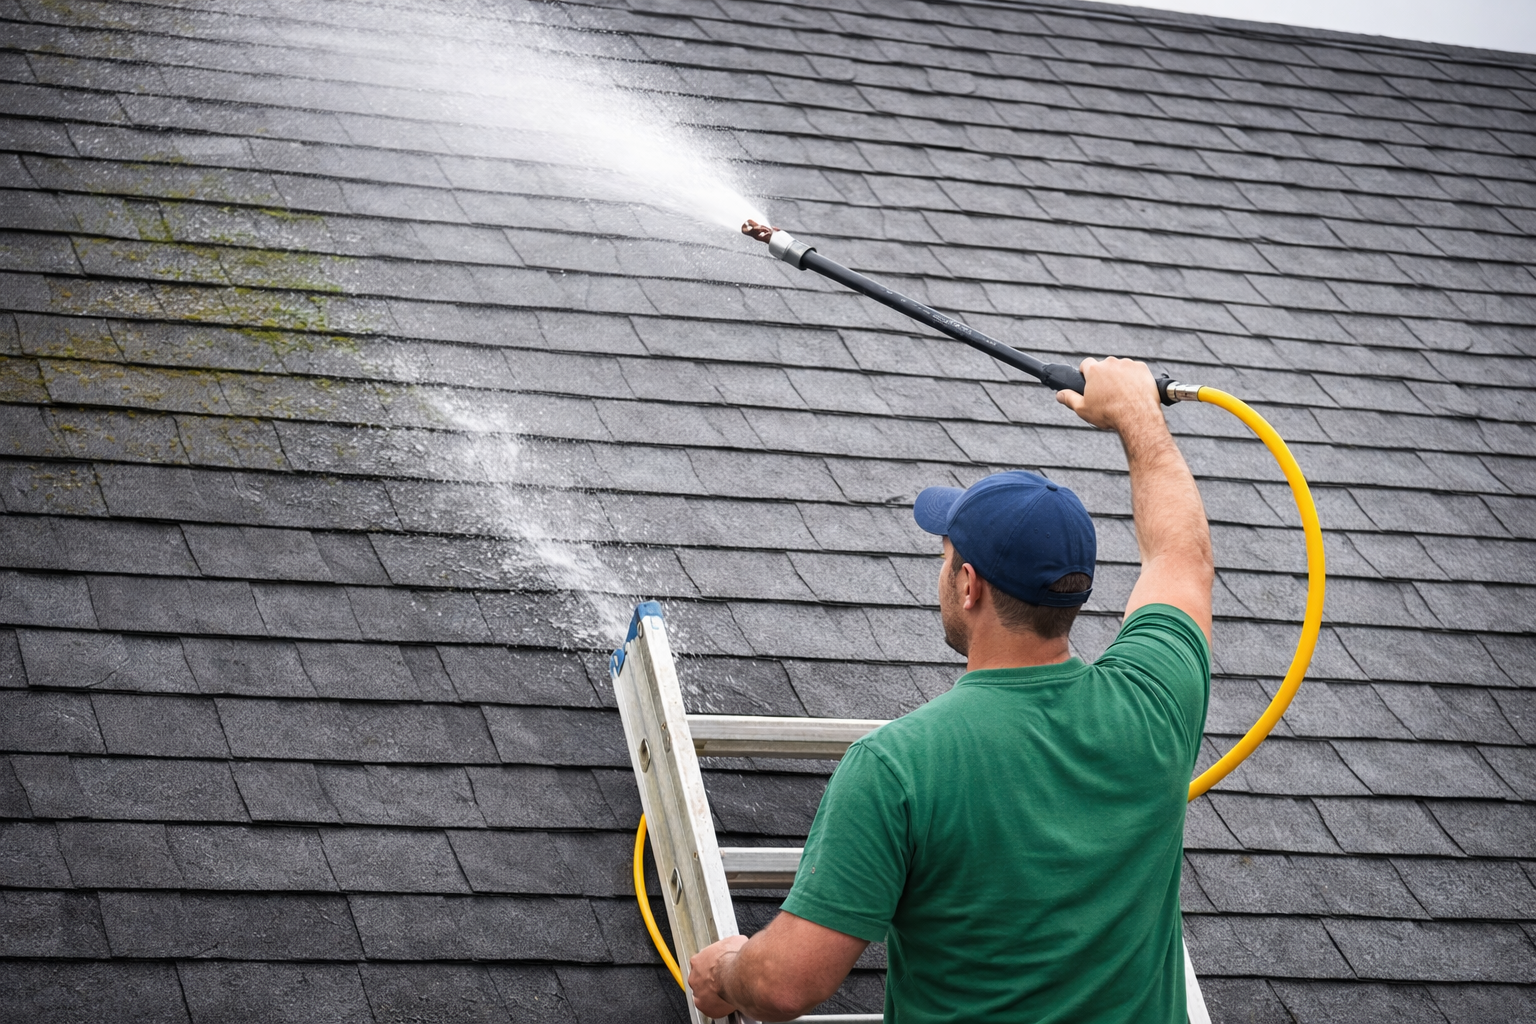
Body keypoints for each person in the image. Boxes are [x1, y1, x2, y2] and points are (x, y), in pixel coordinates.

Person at [687, 357, 1215, 1024]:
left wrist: (727, 972)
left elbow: (788, 985)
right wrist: (1138, 413)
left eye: (944, 557)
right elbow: (1181, 557)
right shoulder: (1155, 703)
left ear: (970, 586)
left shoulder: (897, 768)